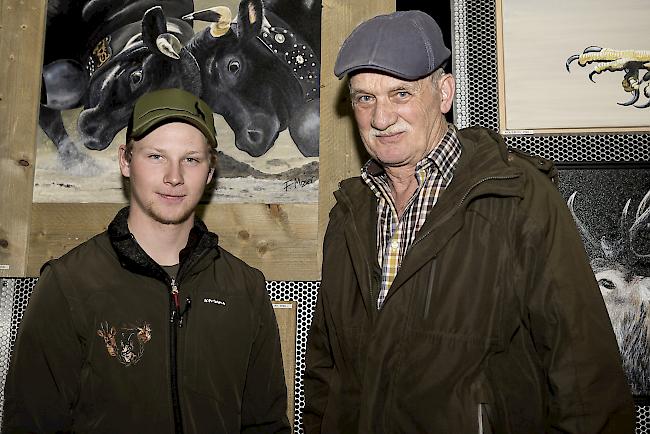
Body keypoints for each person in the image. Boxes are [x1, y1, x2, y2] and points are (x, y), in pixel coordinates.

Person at [304, 10, 635, 434]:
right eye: (365, 97)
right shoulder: (349, 212)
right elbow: (325, 371)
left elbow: (586, 378)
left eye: (400, 94)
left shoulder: (518, 197)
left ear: (444, 94)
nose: (381, 118)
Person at [2, 88, 290, 433]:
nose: (174, 177)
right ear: (125, 161)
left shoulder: (246, 288)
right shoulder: (69, 284)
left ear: (211, 171)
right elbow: (29, 424)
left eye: (191, 159)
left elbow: (266, 425)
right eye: (156, 156)